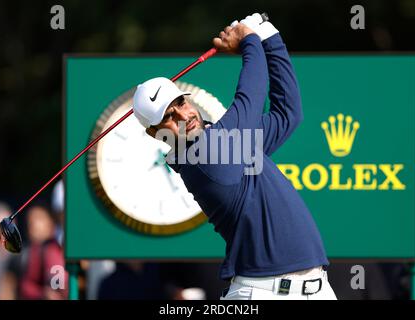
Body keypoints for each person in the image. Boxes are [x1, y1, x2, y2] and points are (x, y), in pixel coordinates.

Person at [132, 13, 336, 300]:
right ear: (155, 134)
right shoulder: (202, 155)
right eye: (168, 117)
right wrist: (249, 40)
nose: (183, 115)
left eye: (180, 102)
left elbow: (288, 113)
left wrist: (269, 37)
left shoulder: (229, 143)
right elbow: (249, 97)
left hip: (316, 289)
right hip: (264, 293)